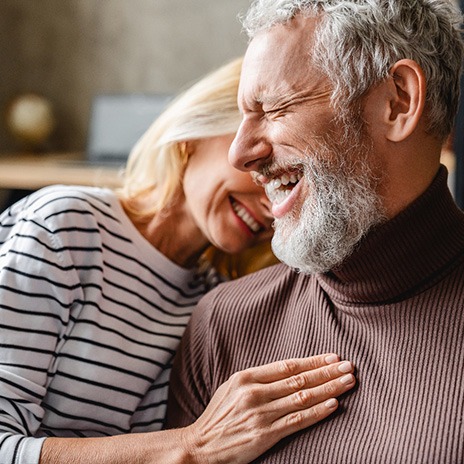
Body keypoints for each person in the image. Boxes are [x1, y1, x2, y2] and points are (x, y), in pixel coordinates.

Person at [0, 57, 356, 464]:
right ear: (195, 135)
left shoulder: (213, 298)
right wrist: (192, 446)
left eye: (290, 180)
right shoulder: (65, 227)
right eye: (260, 161)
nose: (271, 197)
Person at [166, 1, 464, 462]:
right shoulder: (224, 323)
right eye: (244, 115)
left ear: (397, 102)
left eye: (275, 108)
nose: (240, 153)